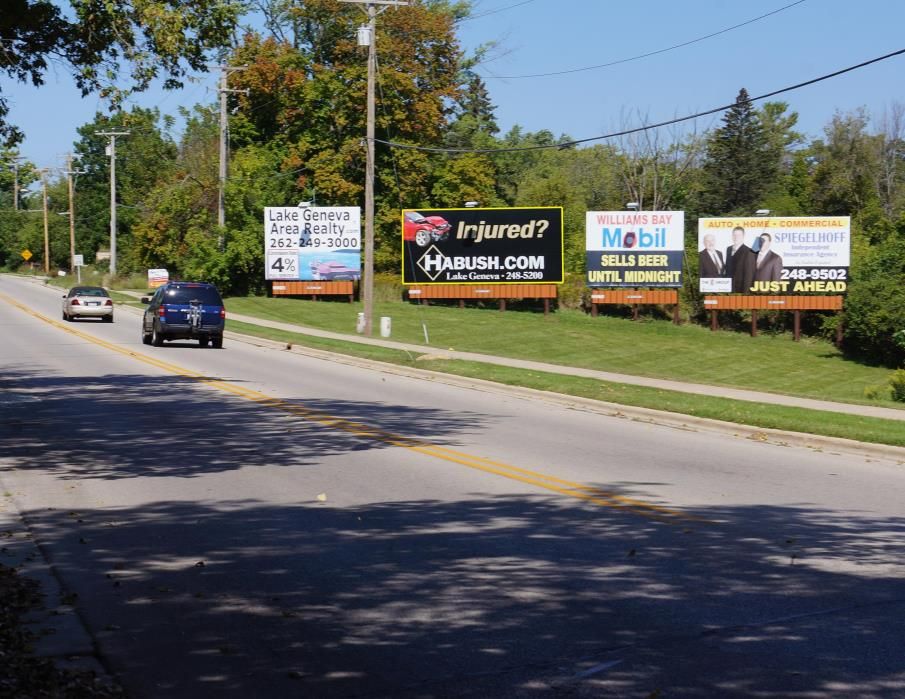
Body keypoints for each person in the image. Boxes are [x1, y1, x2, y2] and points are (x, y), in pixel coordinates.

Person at [725, 226, 756, 293]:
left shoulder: (749, 252)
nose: (736, 237)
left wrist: (745, 293)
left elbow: (749, 276)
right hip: (728, 288)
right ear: (732, 236)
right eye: (734, 235)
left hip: (740, 290)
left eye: (739, 235)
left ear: (743, 236)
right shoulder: (728, 249)